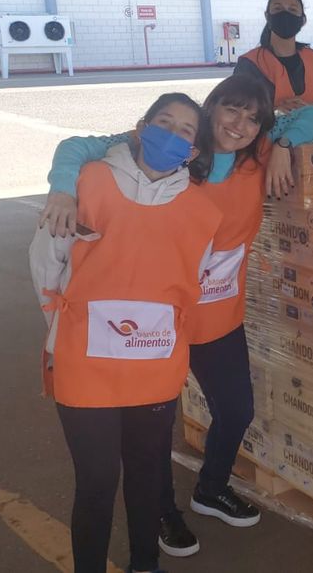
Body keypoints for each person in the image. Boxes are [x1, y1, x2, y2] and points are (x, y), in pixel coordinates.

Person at [36, 76, 313, 558]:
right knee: (148, 441)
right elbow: (79, 147)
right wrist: (62, 189)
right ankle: (161, 515)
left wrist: (281, 141)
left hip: (217, 318)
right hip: (152, 324)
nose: (239, 125)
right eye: (230, 112)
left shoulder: (254, 158)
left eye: (253, 118)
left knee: (236, 410)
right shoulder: (175, 156)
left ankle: (211, 487)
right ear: (210, 111)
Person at [29, 93, 223, 573]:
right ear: (140, 127)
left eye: (185, 131)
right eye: (164, 122)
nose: (171, 134)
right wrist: (65, 327)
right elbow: (46, 266)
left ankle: (145, 562)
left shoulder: (203, 212)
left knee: (144, 474)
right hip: (85, 364)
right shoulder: (87, 182)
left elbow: (190, 282)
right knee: (96, 481)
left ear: (194, 151)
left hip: (154, 367)